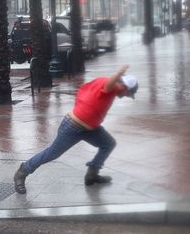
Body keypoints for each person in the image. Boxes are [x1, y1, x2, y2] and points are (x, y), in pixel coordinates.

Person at [13, 65, 138, 194]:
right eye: (129, 93)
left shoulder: (107, 84)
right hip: (73, 127)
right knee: (52, 153)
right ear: (124, 87)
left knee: (108, 143)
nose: (127, 96)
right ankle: (22, 172)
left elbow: (85, 91)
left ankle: (92, 174)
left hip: (90, 128)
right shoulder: (111, 86)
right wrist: (118, 73)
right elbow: (108, 84)